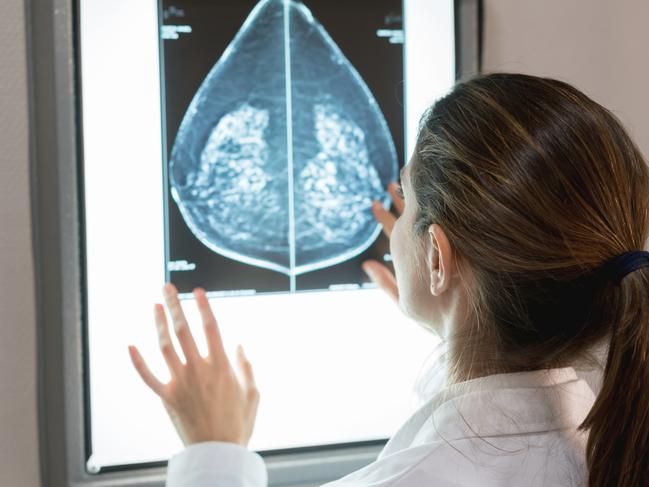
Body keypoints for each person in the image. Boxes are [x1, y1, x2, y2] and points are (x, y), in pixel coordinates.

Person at [128, 72, 649, 486]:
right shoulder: (618, 433)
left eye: (406, 204)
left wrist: (212, 452)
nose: (392, 223)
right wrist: (455, 312)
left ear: (437, 257)